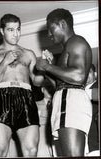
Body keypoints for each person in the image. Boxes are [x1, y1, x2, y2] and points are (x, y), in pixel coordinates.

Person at [0, 13, 44, 157]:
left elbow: (37, 81)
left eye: (18, 29)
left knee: (31, 150)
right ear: (2, 31)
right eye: (11, 30)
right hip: (2, 97)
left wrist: (45, 67)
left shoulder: (29, 54)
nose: (16, 34)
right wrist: (4, 62)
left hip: (26, 97)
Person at [36, 8, 92, 157]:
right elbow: (59, 86)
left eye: (50, 29)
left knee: (72, 154)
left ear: (62, 24)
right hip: (66, 98)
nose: (48, 34)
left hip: (71, 100)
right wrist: (47, 71)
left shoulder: (76, 41)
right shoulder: (68, 47)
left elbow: (79, 76)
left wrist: (48, 66)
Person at [85, 64, 99, 156]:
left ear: (95, 74)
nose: (85, 75)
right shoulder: (80, 89)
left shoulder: (97, 87)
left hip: (95, 137)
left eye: (88, 72)